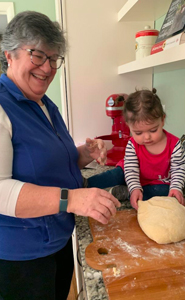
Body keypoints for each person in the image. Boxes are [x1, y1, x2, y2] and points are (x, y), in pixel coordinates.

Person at [0, 11, 120, 300]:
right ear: (10, 56)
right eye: (38, 55)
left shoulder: (43, 104)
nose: (48, 67)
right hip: (20, 259)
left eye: (54, 59)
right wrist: (73, 198)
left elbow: (47, 163)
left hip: (56, 240)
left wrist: (84, 153)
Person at [87, 88, 185, 210]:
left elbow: (178, 170)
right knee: (115, 174)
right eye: (138, 133)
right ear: (129, 127)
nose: (147, 137)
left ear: (163, 120)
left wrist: (176, 188)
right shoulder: (132, 145)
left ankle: (126, 192)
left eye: (153, 130)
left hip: (156, 183)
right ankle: (86, 184)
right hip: (130, 173)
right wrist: (135, 187)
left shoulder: (175, 144)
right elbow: (131, 170)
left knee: (165, 193)